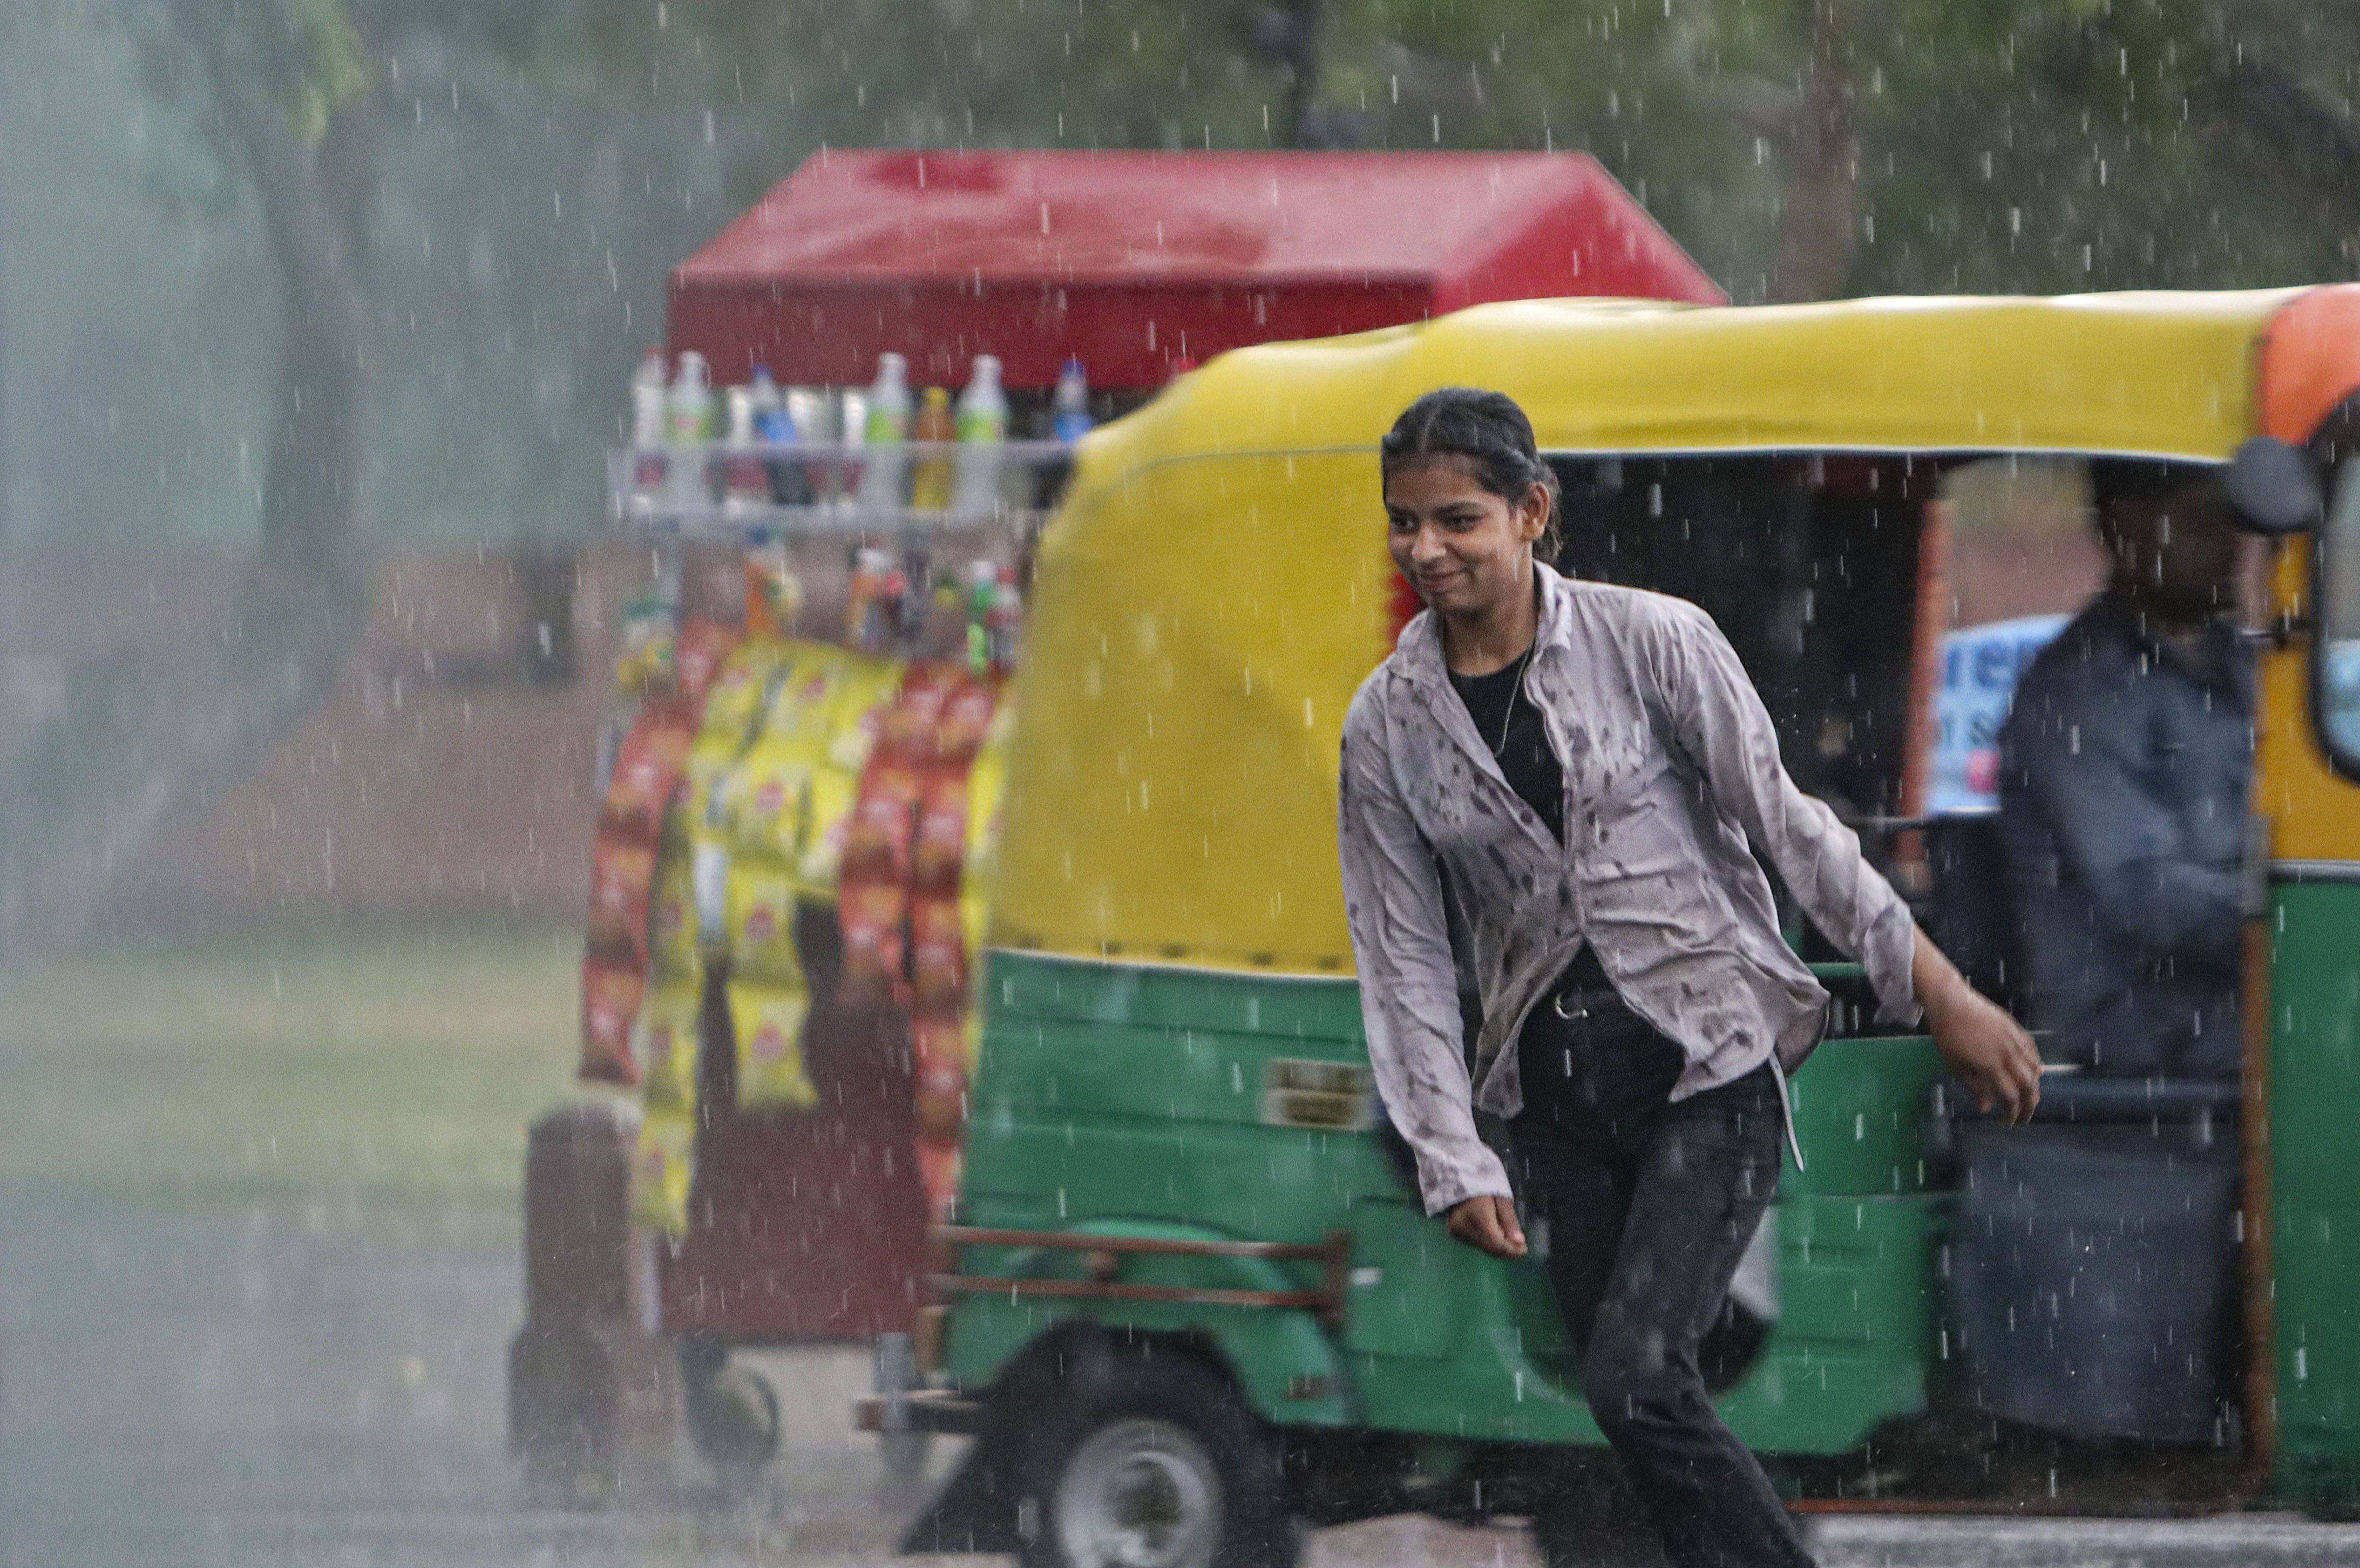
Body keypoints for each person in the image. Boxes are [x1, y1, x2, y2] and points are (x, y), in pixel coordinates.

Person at [1336, 388, 2042, 1568]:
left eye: (1457, 519)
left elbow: (1789, 827)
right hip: (1550, 1097)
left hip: (1706, 1061)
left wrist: (1939, 992)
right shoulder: (1387, 724)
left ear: (1532, 513)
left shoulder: (1648, 639)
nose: (1426, 550)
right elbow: (1400, 949)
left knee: (1636, 1376)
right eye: (1402, 523)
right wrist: (1446, 1150)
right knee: (1617, 1416)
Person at [1997, 461, 2253, 1078]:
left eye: (2234, 520)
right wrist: (2287, 917)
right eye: (2201, 520)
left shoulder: (2242, 664)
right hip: (2140, 1026)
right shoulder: (2080, 691)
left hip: (2238, 997)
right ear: (2129, 526)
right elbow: (2138, 892)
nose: (2229, 543)